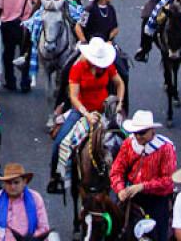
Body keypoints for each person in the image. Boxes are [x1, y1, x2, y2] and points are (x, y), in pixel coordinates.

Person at [47, 36, 125, 193]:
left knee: (127, 139)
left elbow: (119, 83)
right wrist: (87, 114)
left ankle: (127, 178)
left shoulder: (107, 67)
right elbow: (74, 97)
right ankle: (56, 178)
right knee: (60, 143)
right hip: (82, 112)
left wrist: (120, 102)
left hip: (105, 110)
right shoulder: (77, 69)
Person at [111, 110, 176, 241]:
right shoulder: (129, 144)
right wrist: (120, 189)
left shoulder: (165, 148)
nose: (138, 137)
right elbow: (116, 170)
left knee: (160, 236)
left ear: (152, 130)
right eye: (136, 133)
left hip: (156, 199)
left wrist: (142, 186)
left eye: (142, 133)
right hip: (131, 195)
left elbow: (168, 180)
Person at [0, 163, 50, 241]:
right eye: (9, 183)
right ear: (4, 184)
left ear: (24, 182)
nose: (12, 187)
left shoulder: (35, 198)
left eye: (16, 182)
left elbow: (44, 229)